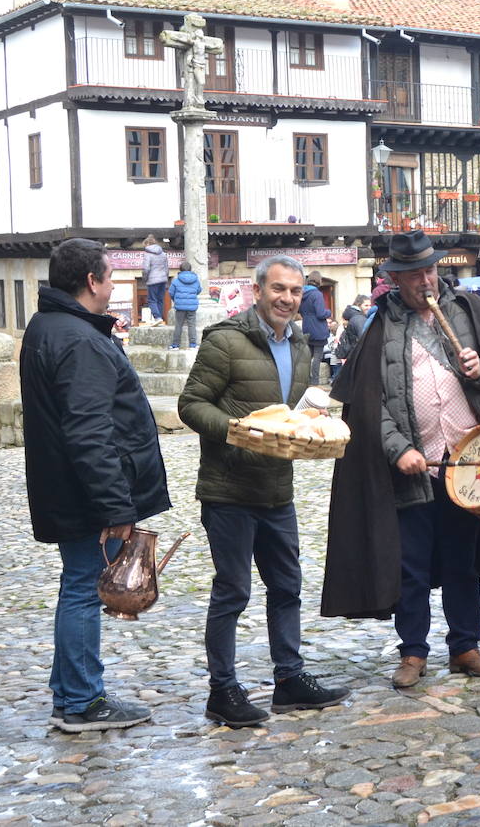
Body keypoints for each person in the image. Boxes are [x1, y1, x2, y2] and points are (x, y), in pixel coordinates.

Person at [323, 231, 480, 688]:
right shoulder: (379, 328)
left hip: (469, 462)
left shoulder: (465, 312)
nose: (426, 281)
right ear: (396, 279)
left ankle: (465, 646)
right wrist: (397, 448)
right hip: (413, 464)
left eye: (430, 270)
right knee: (412, 563)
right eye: (415, 274)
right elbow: (368, 403)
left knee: (464, 559)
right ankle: (413, 653)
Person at [176, 256, 350, 727]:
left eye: (295, 291)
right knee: (232, 591)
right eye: (278, 289)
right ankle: (222, 690)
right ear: (258, 291)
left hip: (277, 490)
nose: (287, 299)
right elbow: (190, 405)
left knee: (287, 587)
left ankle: (289, 680)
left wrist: (312, 424)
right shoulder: (226, 342)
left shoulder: (299, 346)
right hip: (229, 490)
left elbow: (287, 415)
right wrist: (234, 430)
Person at [21, 238, 171, 732]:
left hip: (65, 485)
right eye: (110, 277)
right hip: (84, 493)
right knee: (86, 590)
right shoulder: (78, 339)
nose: (112, 286)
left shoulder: (49, 325)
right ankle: (83, 701)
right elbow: (89, 431)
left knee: (77, 587)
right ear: (91, 281)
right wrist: (116, 506)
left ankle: (70, 692)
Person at [298, 270, 332, 386]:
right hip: (318, 329)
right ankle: (315, 382)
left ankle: (304, 380)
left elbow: (299, 311)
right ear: (319, 281)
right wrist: (329, 312)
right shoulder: (317, 294)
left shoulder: (302, 293)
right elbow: (321, 313)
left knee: (307, 357)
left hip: (306, 327)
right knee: (317, 357)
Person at [167, 260, 201, 350]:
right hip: (192, 306)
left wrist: (176, 300)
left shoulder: (176, 280)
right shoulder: (196, 279)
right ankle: (193, 345)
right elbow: (199, 290)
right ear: (190, 269)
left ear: (180, 269)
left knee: (178, 325)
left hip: (180, 307)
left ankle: (175, 345)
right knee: (192, 325)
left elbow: (171, 292)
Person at [142, 235, 169, 325]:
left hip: (152, 280)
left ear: (148, 244)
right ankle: (159, 318)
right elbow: (166, 269)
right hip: (163, 280)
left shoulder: (147, 254)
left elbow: (146, 269)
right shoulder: (163, 254)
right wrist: (166, 279)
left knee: (152, 300)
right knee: (160, 300)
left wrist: (144, 279)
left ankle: (157, 317)